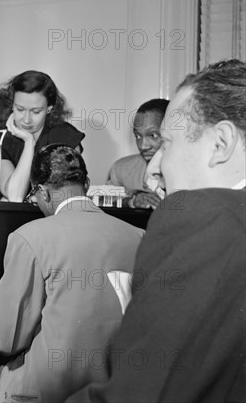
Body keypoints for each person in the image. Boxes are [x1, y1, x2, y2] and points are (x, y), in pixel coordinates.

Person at [66, 59, 246, 403]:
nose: (154, 168)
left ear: (220, 143)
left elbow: (140, 394)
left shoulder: (201, 218)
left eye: (167, 143)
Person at [0, 144, 144, 403]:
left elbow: (7, 340)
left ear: (42, 192)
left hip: (48, 392)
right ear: (86, 184)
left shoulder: (29, 236)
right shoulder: (137, 236)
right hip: (114, 385)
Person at [0, 71, 85, 202]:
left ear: (49, 108)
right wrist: (29, 143)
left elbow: (69, 193)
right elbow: (14, 196)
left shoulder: (65, 136)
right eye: (20, 109)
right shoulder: (1, 136)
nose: (26, 120)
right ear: (12, 105)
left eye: (36, 111)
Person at [105, 98, 169, 209]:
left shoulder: (193, 172)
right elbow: (103, 203)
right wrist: (132, 201)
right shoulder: (121, 170)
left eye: (153, 135)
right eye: (138, 136)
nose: (142, 146)